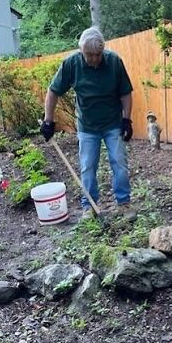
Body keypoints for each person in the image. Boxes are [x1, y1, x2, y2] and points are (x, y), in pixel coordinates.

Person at [40, 26, 135, 219]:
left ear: (102, 51)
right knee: (88, 166)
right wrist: (48, 121)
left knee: (119, 163)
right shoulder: (71, 64)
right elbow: (53, 91)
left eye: (97, 55)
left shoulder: (114, 62)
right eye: (89, 55)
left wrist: (126, 119)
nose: (93, 59)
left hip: (112, 122)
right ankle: (89, 206)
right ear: (80, 50)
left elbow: (125, 92)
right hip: (87, 126)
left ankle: (124, 203)